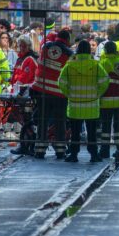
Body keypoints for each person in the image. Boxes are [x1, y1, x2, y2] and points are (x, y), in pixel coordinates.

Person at [59, 40, 109, 162]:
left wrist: (69, 94)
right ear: (88, 50)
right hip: (91, 104)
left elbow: (61, 82)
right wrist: (97, 94)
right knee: (92, 132)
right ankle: (93, 154)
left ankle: (74, 154)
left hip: (75, 104)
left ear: (77, 50)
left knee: (75, 132)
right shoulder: (96, 65)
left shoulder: (69, 65)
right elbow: (105, 81)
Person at [32, 28, 73, 159]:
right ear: (67, 39)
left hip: (42, 90)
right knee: (60, 122)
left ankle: (39, 150)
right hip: (59, 93)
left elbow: (40, 64)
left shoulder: (45, 47)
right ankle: (60, 151)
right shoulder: (69, 53)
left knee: (43, 121)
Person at [9, 35, 39, 155]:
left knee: (27, 120)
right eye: (20, 45)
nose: (21, 48)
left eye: (23, 46)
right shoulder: (21, 59)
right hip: (21, 93)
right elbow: (17, 76)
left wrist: (15, 91)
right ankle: (28, 145)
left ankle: (28, 145)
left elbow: (24, 78)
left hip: (26, 94)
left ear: (28, 46)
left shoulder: (29, 59)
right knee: (25, 120)